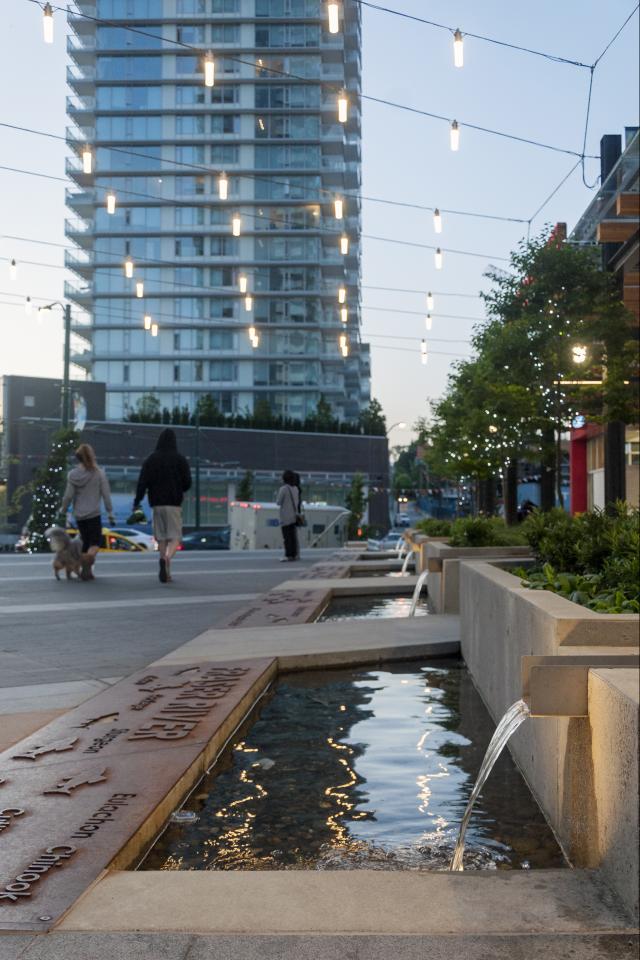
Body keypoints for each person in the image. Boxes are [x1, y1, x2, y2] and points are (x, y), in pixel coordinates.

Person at [133, 428, 191, 583]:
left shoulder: (151, 459)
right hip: (174, 503)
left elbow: (142, 482)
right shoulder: (180, 459)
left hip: (156, 504)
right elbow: (187, 483)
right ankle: (167, 559)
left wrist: (137, 500)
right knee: (175, 537)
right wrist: (180, 488)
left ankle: (166, 570)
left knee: (162, 537)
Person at [60, 443, 114, 581]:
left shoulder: (73, 475)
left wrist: (63, 509)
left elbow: (68, 496)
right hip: (94, 514)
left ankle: (86, 569)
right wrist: (110, 512)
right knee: (95, 543)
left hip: (79, 515)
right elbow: (106, 494)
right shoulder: (99, 473)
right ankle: (86, 565)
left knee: (85, 542)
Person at [276, 469, 300, 562]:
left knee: (286, 537)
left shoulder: (283, 489)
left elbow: (278, 502)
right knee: (292, 536)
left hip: (285, 516)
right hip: (294, 515)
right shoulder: (296, 489)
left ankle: (288, 555)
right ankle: (294, 554)